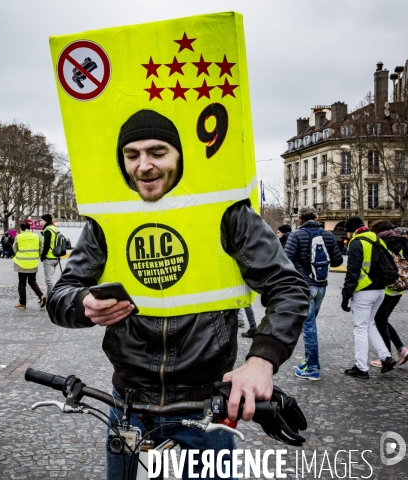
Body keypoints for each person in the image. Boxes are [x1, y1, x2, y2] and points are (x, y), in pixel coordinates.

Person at [47, 110, 309, 476]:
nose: (144, 166)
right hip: (128, 406)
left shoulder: (229, 212)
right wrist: (81, 304)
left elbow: (289, 287)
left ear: (180, 155)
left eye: (157, 152)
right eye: (132, 154)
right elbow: (61, 294)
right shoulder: (104, 220)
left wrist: (261, 361)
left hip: (203, 409)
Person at [284, 206, 343, 381]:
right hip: (321, 285)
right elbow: (338, 261)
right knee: (309, 324)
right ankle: (308, 360)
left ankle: (313, 368)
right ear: (317, 218)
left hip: (304, 285)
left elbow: (287, 261)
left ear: (300, 219)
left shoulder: (295, 235)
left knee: (308, 327)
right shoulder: (328, 234)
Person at [341, 216, 396, 379]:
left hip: (364, 290)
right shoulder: (376, 239)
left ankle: (361, 367)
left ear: (351, 230)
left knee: (360, 328)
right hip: (380, 290)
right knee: (369, 324)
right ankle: (386, 357)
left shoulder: (357, 242)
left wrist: (346, 296)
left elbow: (353, 272)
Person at [368, 220, 408, 367]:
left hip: (385, 289)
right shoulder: (399, 244)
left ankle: (386, 356)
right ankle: (401, 349)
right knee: (383, 321)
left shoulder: (381, 244)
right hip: (398, 289)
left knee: (380, 322)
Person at [14, 222, 46, 309]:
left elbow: (14, 248)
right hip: (33, 262)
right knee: (32, 281)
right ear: (29, 227)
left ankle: (22, 303)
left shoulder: (19, 236)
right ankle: (41, 295)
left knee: (22, 283)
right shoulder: (36, 236)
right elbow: (41, 248)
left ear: (21, 228)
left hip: (21, 263)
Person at [40, 214, 60, 294]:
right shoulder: (54, 229)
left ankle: (57, 293)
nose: (41, 222)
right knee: (49, 279)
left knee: (49, 279)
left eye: (41, 220)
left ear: (45, 221)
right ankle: (48, 297)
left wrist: (42, 255)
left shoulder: (48, 230)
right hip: (55, 256)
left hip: (49, 257)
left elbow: (46, 245)